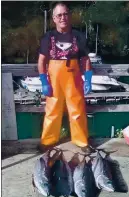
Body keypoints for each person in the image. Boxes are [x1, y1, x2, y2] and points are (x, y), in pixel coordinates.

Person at [38, 2, 94, 154]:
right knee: (52, 111)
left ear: (69, 16)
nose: (63, 17)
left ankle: (81, 141)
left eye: (65, 14)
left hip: (73, 79)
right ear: (54, 19)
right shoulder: (48, 37)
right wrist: (44, 81)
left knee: (77, 110)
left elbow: (86, 59)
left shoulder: (79, 36)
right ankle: (48, 141)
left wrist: (88, 79)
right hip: (54, 81)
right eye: (59, 15)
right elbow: (42, 61)